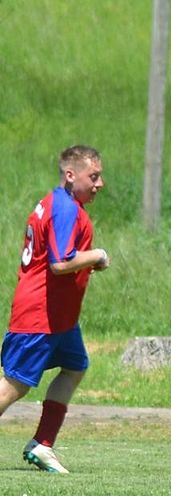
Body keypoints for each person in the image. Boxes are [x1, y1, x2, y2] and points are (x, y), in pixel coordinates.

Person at [0, 145, 109, 474]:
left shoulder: (58, 202)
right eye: (94, 176)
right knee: (15, 384)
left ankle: (42, 444)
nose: (99, 184)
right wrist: (97, 255)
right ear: (71, 175)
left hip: (60, 318)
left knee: (75, 366)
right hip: (39, 316)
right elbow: (60, 263)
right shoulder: (64, 208)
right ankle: (42, 443)